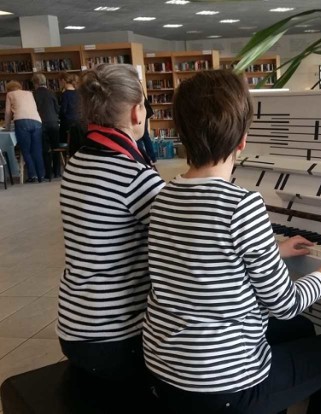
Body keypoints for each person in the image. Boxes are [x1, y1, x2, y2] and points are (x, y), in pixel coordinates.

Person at [142, 70, 321, 414]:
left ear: (180, 133)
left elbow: (205, 259)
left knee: (300, 330)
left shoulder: (164, 195)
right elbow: (286, 304)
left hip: (165, 370)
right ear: (242, 140)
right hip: (222, 386)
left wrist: (274, 250)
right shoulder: (241, 203)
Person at [56, 64, 164, 397]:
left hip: (73, 328)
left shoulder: (77, 162)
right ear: (137, 111)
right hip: (117, 341)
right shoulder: (134, 175)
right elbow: (186, 242)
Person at [4, 80, 45, 183]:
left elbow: (8, 112)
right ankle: (41, 175)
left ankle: (33, 175)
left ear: (8, 89)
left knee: (26, 151)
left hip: (22, 122)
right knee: (37, 150)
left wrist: (7, 127)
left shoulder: (10, 94)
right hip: (37, 121)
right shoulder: (29, 93)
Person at [32, 73, 61, 180]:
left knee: (45, 149)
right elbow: (57, 109)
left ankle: (48, 173)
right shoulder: (51, 93)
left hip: (41, 123)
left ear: (35, 83)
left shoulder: (34, 94)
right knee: (56, 148)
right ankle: (57, 171)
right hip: (54, 123)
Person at [59, 72, 83, 155]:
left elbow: (63, 111)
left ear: (63, 81)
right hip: (80, 123)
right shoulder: (79, 93)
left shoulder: (65, 94)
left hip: (68, 124)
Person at [137, 96, 158, 165]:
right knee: (145, 137)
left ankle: (143, 160)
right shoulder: (138, 86)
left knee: (138, 138)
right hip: (143, 111)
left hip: (139, 112)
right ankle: (152, 158)